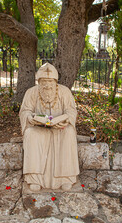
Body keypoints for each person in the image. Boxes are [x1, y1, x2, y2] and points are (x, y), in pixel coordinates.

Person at [19, 63, 79, 191]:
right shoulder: (31, 92)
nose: (47, 85)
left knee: (68, 132)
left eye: (50, 81)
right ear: (39, 82)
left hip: (59, 127)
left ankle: (66, 177)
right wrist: (30, 118)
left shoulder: (64, 92)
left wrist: (66, 119)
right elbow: (25, 111)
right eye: (43, 81)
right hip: (39, 127)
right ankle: (34, 178)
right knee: (30, 134)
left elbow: (71, 111)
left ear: (55, 81)